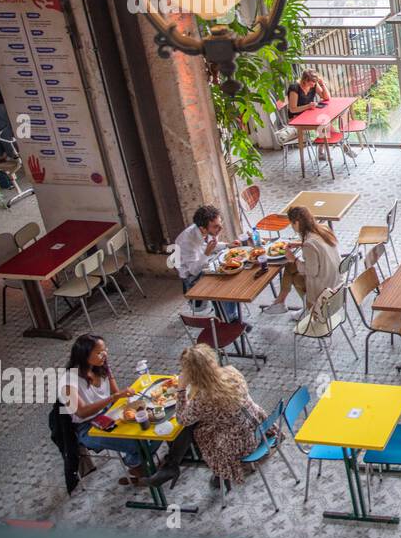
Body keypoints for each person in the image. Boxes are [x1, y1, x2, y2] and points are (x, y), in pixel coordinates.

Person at [137, 343, 269, 489]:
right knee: (197, 423)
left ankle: (181, 467)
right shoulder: (232, 372)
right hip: (259, 426)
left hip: (242, 443)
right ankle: (172, 465)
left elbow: (181, 419)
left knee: (193, 428)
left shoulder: (204, 398)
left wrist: (181, 389)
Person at [57, 334, 145, 485]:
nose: (104, 355)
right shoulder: (68, 381)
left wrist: (130, 403)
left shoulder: (102, 366)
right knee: (136, 444)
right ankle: (138, 468)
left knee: (149, 430)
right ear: (84, 356)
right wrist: (113, 398)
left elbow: (117, 394)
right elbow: (82, 412)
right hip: (88, 427)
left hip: (110, 413)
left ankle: (142, 466)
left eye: (105, 350)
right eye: (99, 352)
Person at [264, 206, 340, 319]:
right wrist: (300, 244)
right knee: (290, 266)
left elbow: (311, 272)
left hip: (323, 289)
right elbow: (319, 248)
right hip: (336, 281)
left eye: (291, 223)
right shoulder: (323, 228)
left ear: (297, 223)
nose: (292, 226)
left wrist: (293, 258)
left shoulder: (309, 244)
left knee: (292, 271)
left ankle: (307, 309)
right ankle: (280, 302)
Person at [174, 205, 241, 324]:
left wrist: (227, 245)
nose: (220, 228)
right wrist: (207, 253)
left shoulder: (205, 231)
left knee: (233, 270)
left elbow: (209, 245)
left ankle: (229, 315)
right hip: (191, 277)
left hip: (206, 264)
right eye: (216, 226)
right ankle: (228, 320)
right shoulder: (186, 241)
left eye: (220, 223)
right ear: (203, 229)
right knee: (222, 281)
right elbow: (194, 270)